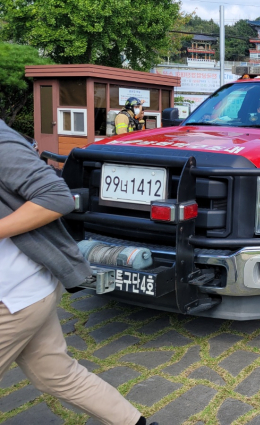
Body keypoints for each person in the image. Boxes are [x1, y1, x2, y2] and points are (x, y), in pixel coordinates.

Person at [0, 121, 156, 425]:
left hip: (13, 295)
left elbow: (56, 196)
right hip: (27, 292)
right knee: (58, 375)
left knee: (60, 375)